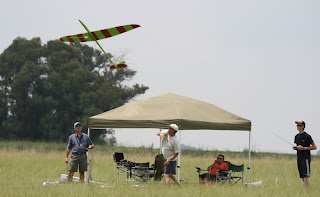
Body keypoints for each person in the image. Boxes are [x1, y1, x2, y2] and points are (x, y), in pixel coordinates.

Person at [293, 120, 317, 187]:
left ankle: (304, 188)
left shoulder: (307, 136)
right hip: (299, 157)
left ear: (303, 126)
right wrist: (296, 148)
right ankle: (307, 187)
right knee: (302, 174)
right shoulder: (296, 136)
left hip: (305, 158)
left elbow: (314, 147)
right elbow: (297, 146)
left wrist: (304, 148)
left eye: (299, 125)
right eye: (297, 125)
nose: (298, 126)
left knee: (305, 174)